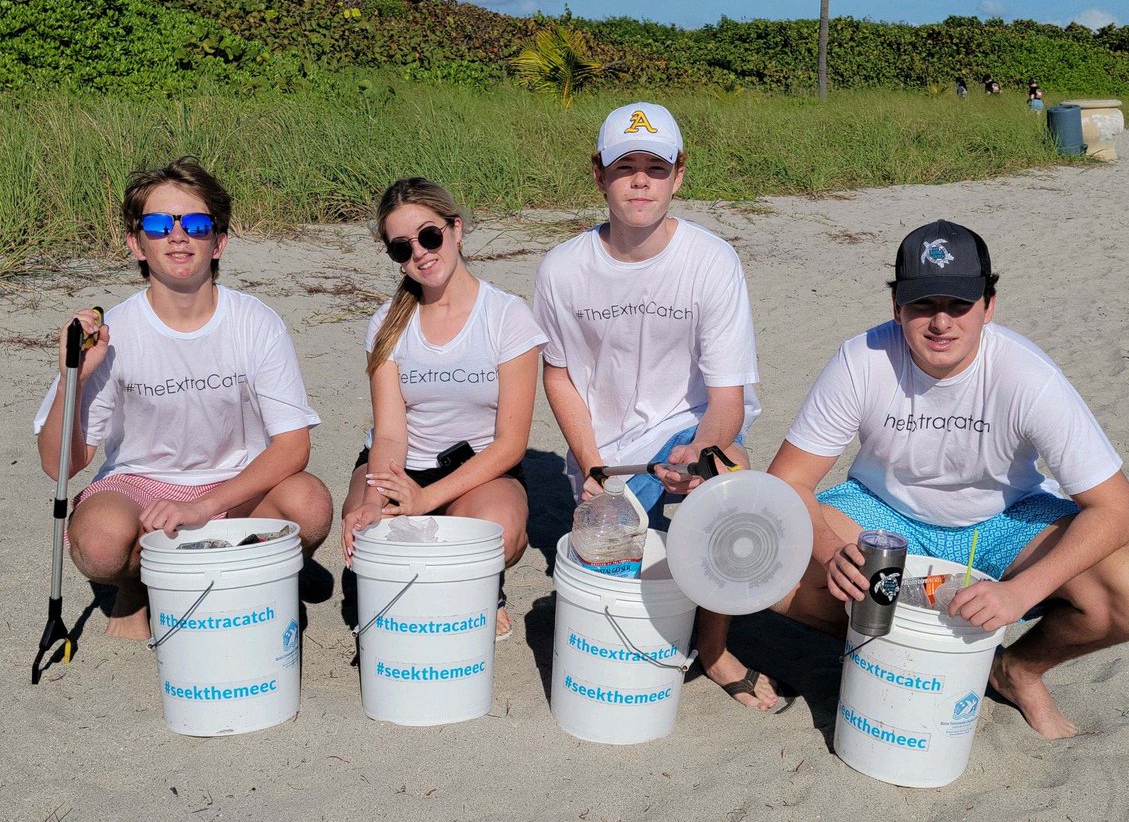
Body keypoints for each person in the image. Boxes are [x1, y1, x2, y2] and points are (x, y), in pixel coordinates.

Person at [749, 219, 1129, 739]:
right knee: (762, 553)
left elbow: (1119, 508)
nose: (940, 322)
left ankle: (1016, 670)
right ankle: (885, 653)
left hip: (1003, 520)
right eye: (922, 305)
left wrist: (1018, 593)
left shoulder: (1026, 375)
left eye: (959, 304)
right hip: (882, 513)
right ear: (896, 306)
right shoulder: (863, 359)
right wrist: (832, 551)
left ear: (989, 306)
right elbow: (787, 482)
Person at [34, 158, 332, 640]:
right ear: (136, 242)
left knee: (310, 504)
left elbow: (293, 445)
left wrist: (204, 506)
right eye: (158, 224)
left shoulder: (256, 322)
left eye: (195, 223)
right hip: (141, 484)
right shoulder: (114, 333)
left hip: (237, 483)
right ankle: (136, 590)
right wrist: (74, 377)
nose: (178, 236)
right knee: (100, 544)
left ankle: (250, 580)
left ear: (219, 242)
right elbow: (59, 466)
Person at [532, 102, 768, 708]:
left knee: (729, 476)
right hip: (607, 457)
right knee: (616, 575)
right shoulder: (561, 269)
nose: (640, 181)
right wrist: (590, 466)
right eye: (624, 166)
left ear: (679, 175)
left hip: (687, 431)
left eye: (655, 167)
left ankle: (714, 649)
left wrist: (698, 451)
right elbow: (558, 377)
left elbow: (727, 396)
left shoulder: (711, 260)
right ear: (599, 175)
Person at [340, 178, 545, 641]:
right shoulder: (387, 326)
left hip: (478, 467)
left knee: (499, 532)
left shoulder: (507, 317)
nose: (421, 254)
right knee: (365, 534)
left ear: (456, 230)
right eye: (401, 248)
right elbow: (390, 433)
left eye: (430, 235)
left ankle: (484, 588)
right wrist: (376, 501)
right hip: (399, 463)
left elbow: (510, 444)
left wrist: (425, 501)